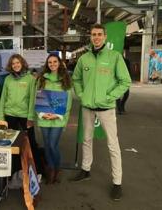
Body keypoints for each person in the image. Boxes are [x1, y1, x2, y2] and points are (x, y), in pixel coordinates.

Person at [72, 23, 131, 201]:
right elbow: (76, 78)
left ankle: (117, 183)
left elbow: (125, 81)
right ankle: (85, 170)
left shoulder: (114, 57)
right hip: (88, 108)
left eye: (99, 34)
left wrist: (109, 97)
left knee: (113, 145)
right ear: (90, 37)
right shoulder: (84, 59)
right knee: (87, 140)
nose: (96, 37)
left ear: (105, 37)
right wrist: (82, 95)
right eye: (93, 34)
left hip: (106, 109)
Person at [36, 54, 72, 184]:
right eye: (50, 62)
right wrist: (42, 114)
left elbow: (68, 101)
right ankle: (51, 169)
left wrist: (58, 115)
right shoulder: (42, 79)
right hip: (44, 118)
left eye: (55, 61)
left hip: (58, 118)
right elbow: (38, 98)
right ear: (47, 64)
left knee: (52, 144)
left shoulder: (65, 79)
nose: (52, 64)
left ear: (59, 62)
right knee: (47, 146)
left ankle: (57, 168)